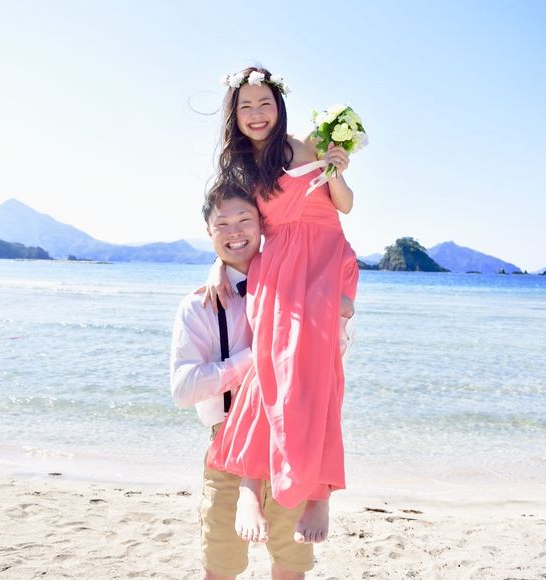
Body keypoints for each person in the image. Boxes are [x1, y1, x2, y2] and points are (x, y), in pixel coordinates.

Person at [204, 66, 359, 545]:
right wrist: (218, 264)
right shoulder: (238, 171)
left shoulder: (310, 144)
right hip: (279, 268)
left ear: (280, 106)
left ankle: (320, 491)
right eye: (246, 106)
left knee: (321, 375)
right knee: (270, 367)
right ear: (234, 114)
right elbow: (232, 226)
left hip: (327, 261)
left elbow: (345, 206)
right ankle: (250, 483)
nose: (257, 114)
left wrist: (337, 169)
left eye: (264, 103)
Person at [170, 187, 314, 579]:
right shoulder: (198, 305)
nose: (235, 231)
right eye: (223, 223)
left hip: (289, 442)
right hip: (228, 443)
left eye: (244, 220)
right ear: (208, 231)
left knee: (290, 566)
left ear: (262, 224)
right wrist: (255, 357)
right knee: (220, 566)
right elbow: (183, 390)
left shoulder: (295, 287)